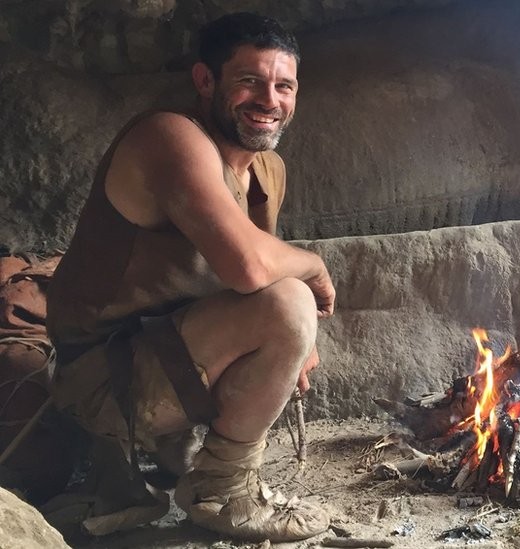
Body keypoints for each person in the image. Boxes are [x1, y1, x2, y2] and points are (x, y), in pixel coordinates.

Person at [46, 12, 336, 542]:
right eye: (249, 81)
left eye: (284, 86)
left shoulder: (268, 169)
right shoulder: (168, 136)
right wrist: (314, 268)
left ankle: (183, 455)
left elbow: (257, 276)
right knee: (292, 303)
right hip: (105, 381)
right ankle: (222, 491)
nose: (269, 100)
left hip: (169, 358)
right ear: (205, 80)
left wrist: (299, 345)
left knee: (289, 312)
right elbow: (250, 268)